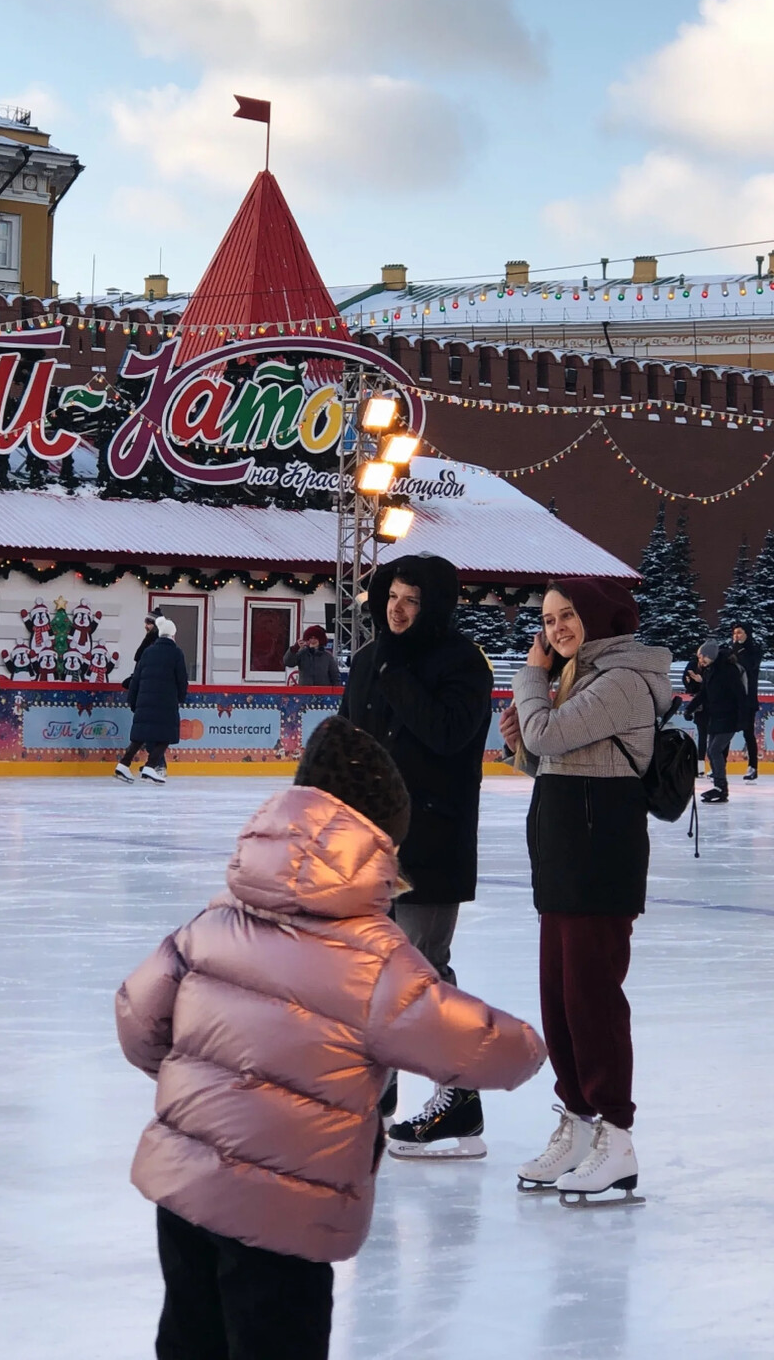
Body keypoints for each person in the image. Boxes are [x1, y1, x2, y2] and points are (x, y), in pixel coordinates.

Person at [116, 715, 544, 1360]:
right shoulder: (376, 960)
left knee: (189, 1335)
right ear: (376, 846)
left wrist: (199, 1083)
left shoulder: (214, 920)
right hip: (283, 1214)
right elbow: (476, 1043)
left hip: (186, 1191)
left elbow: (137, 1015)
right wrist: (533, 1047)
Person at [501, 577, 672, 1203]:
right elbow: (545, 754)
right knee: (561, 999)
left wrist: (530, 679)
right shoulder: (578, 679)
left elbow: (550, 735)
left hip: (602, 858)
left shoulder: (623, 681)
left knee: (593, 1000)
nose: (555, 630)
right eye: (547, 621)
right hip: (564, 852)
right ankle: (576, 1123)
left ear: (596, 618)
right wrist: (520, 743)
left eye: (566, 616)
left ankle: (617, 1136)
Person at [338, 554, 494, 1158]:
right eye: (391, 599)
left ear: (435, 607)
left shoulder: (461, 663)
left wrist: (398, 672)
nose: (397, 611)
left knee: (421, 972)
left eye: (411, 601)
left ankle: (462, 1101)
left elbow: (448, 735)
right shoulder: (366, 660)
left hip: (431, 843)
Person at [117, 616, 188, 785]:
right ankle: (150, 767)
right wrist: (180, 698)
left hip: (144, 701)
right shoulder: (176, 653)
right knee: (165, 736)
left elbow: (136, 679)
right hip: (165, 703)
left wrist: (133, 700)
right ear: (173, 635)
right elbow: (182, 679)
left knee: (140, 736)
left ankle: (124, 764)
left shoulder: (148, 652)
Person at [686, 640, 746, 805]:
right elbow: (703, 693)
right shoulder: (710, 671)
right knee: (712, 752)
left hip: (729, 717)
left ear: (710, 655)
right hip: (715, 717)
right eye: (699, 657)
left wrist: (743, 719)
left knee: (714, 750)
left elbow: (741, 695)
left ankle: (721, 788)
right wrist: (689, 709)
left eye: (702, 657)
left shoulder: (729, 670)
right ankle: (720, 788)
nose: (700, 661)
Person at [730, 622, 764, 780]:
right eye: (735, 633)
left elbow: (749, 665)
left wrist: (736, 657)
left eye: (739, 632)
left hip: (748, 699)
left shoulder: (753, 651)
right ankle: (719, 765)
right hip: (732, 698)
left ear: (747, 634)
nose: (736, 636)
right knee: (725, 731)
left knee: (748, 733)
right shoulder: (732, 650)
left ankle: (753, 766)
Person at [681, 649, 708, 776]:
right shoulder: (692, 665)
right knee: (702, 735)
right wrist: (689, 682)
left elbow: (712, 687)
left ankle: (716, 765)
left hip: (712, 706)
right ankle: (701, 765)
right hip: (700, 706)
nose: (702, 660)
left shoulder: (712, 668)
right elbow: (689, 686)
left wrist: (701, 681)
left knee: (715, 738)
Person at [121, 614, 159, 690]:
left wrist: (135, 679)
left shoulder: (153, 643)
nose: (146, 626)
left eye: (148, 624)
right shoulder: (150, 640)